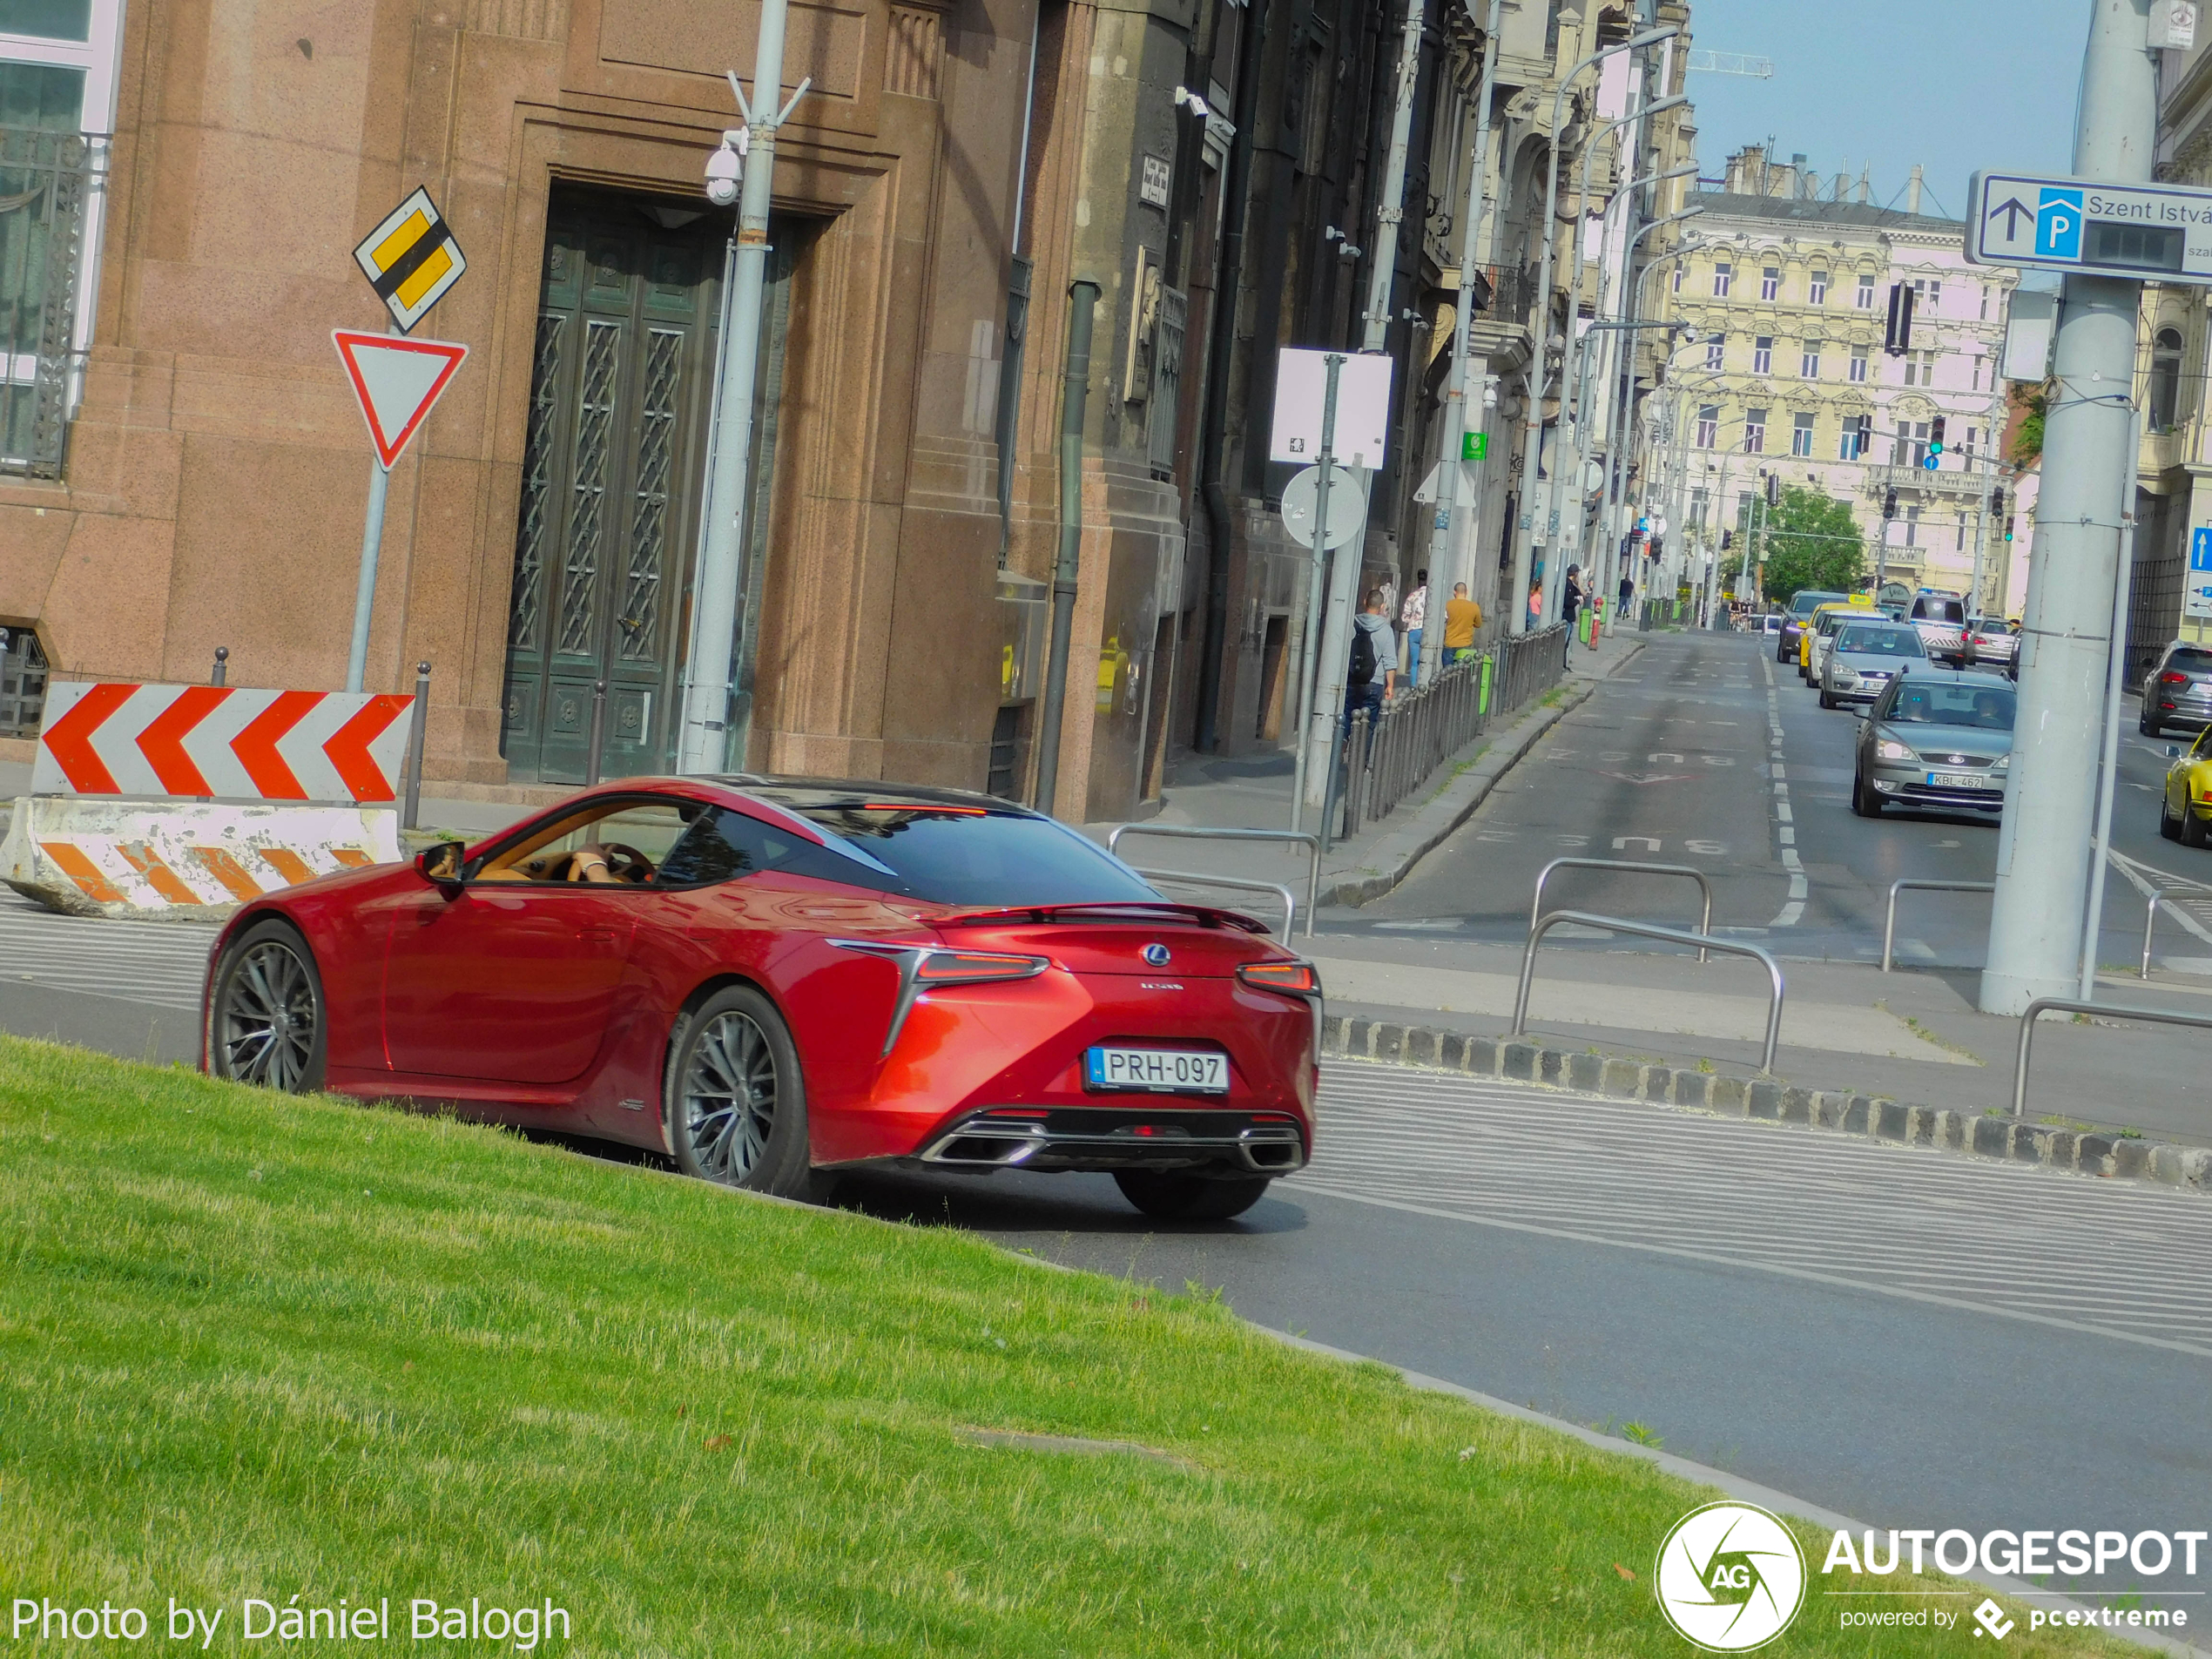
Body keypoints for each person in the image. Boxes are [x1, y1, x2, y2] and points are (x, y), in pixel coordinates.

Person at [1345, 589, 1393, 733]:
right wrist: (1390, 686)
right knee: (1369, 725)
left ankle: (1341, 749)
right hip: (1375, 683)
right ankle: (1362, 755)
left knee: (1347, 719)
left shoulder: (1351, 623)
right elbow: (1390, 662)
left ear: (1365, 602)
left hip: (1351, 679)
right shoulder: (1386, 630)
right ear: (1382, 606)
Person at [1442, 582, 1481, 664]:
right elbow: (1478, 624)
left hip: (1450, 643)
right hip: (1465, 644)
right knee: (1463, 673)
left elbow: (1443, 620)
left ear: (1454, 592)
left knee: (1447, 673)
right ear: (1466, 592)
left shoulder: (1448, 605)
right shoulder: (1474, 607)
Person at [1400, 569, 1428, 685]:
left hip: (1414, 630)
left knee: (1414, 663)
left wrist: (1413, 619)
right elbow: (1445, 616)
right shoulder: (1434, 596)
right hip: (1428, 631)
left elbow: (1404, 617)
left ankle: (1413, 687)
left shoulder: (1412, 596)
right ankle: (1424, 685)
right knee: (1427, 661)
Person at [1561, 564, 1584, 664]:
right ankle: (1562, 664)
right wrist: (1577, 602)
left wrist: (1579, 585)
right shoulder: (1567, 585)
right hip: (1567, 617)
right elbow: (1567, 601)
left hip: (1570, 618)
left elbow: (1581, 594)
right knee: (1564, 642)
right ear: (1575, 573)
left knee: (1567, 642)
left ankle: (1564, 664)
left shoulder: (1571, 584)